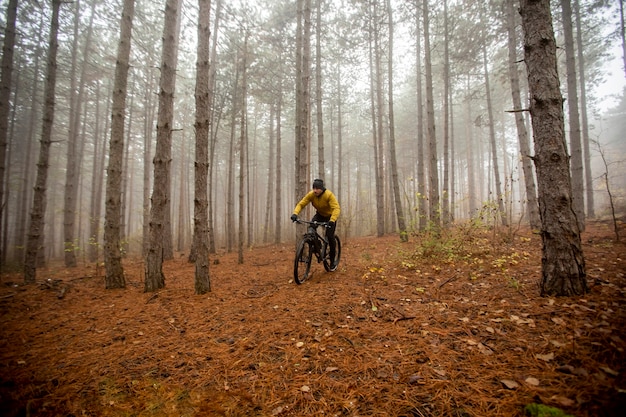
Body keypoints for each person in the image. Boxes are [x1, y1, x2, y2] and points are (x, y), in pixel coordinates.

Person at [291, 179, 341, 269]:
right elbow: (301, 204)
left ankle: (333, 260)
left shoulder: (328, 195)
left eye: (317, 188)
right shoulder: (311, 195)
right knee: (311, 229)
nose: (315, 190)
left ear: (322, 189)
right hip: (319, 215)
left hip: (330, 217)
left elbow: (336, 208)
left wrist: (332, 220)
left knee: (330, 237)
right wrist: (295, 213)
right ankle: (317, 245)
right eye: (314, 188)